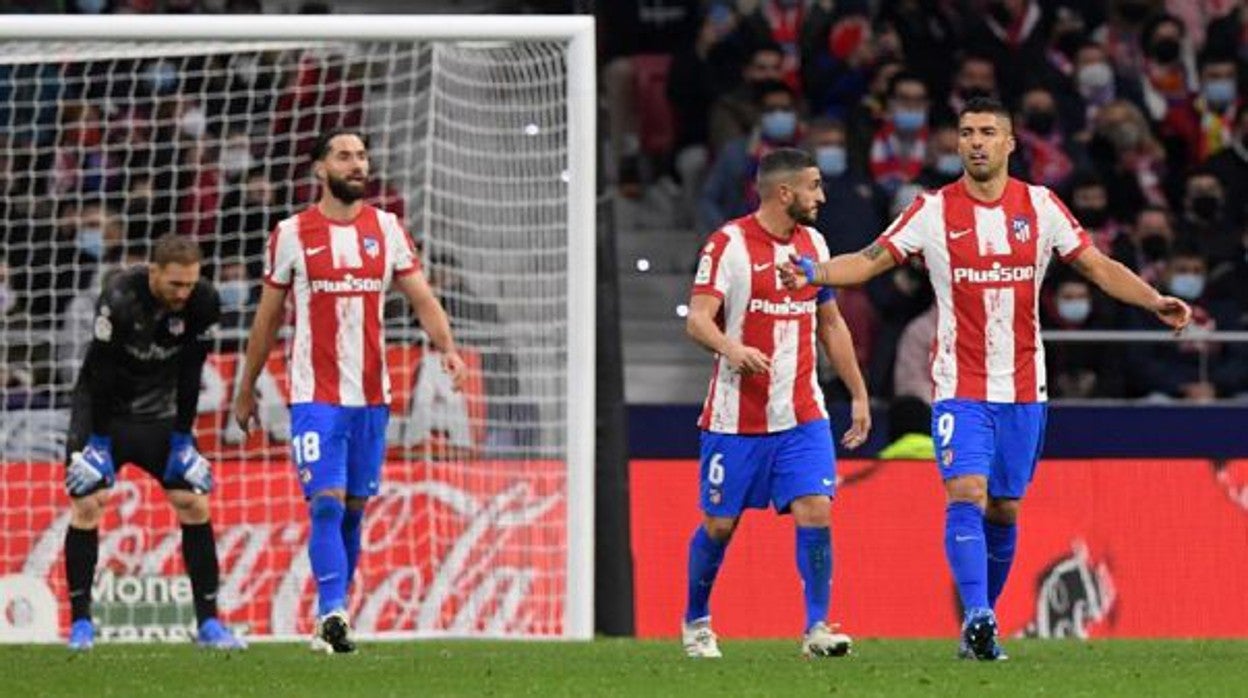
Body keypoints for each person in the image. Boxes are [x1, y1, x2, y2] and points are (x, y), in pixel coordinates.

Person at [779, 97, 1191, 660]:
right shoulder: (931, 210)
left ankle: (982, 626)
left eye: (988, 132)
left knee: (1004, 508)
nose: (975, 141)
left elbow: (1096, 265)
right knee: (966, 493)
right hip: (960, 386)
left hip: (1024, 389)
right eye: (967, 132)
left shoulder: (1042, 207)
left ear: (1010, 143)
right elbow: (873, 260)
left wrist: (1153, 300)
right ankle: (976, 612)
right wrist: (817, 272)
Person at [231, 129, 466, 654]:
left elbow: (422, 297)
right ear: (320, 168)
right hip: (314, 396)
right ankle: (332, 609)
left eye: (361, 156)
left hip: (372, 398)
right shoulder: (291, 233)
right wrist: (245, 388)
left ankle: (332, 620)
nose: (357, 164)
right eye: (344, 156)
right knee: (326, 506)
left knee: (355, 508)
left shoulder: (387, 229)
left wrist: (447, 346)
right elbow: (267, 319)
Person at [683, 147, 871, 659]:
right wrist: (732, 348)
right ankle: (696, 622)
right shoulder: (728, 244)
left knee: (817, 509)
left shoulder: (813, 243)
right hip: (734, 417)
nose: (822, 196)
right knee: (719, 525)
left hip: (802, 414)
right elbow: (698, 318)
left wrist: (857, 392)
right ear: (784, 192)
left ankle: (817, 628)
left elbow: (830, 323)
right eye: (814, 186)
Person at [62, 234, 245, 651]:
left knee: (194, 504)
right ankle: (81, 625)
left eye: (189, 284)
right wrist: (99, 443)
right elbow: (102, 372)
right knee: (89, 504)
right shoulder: (120, 296)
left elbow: (190, 373)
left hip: (159, 414)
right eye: (175, 284)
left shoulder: (203, 301)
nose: (183, 293)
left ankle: (209, 624)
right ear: (154, 272)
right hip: (101, 410)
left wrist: (183, 439)